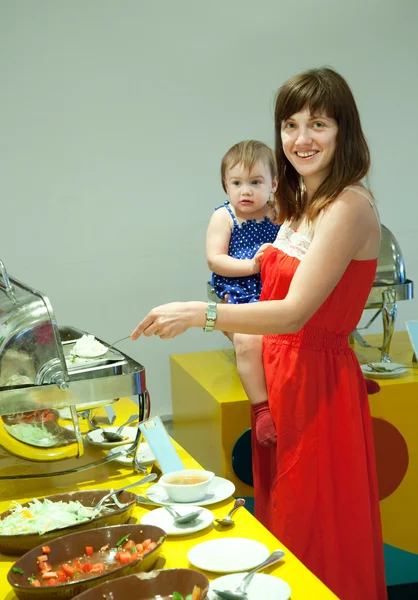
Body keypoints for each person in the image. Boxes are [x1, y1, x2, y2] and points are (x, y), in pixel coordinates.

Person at [131, 67, 387, 600]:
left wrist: (201, 314)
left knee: (317, 533)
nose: (300, 139)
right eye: (290, 125)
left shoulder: (349, 206)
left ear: (345, 132)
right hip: (281, 382)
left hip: (317, 386)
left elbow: (293, 314)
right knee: (284, 529)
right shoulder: (297, 203)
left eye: (318, 124)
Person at [207, 140, 280, 446]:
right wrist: (252, 265)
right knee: (249, 341)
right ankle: (261, 408)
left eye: (255, 182)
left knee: (313, 325)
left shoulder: (279, 212)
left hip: (277, 290)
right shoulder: (225, 217)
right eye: (236, 183)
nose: (245, 191)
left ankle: (341, 381)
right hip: (240, 291)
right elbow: (216, 259)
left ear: (274, 184)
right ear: (225, 186)